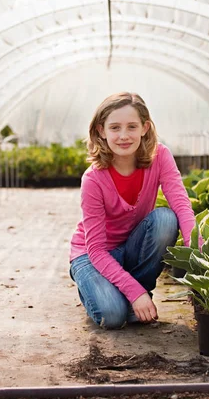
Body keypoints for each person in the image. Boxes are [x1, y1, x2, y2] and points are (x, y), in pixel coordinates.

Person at [69, 92, 196, 329]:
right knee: (113, 317)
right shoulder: (93, 179)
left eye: (132, 126)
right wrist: (134, 293)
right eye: (115, 127)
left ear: (145, 128)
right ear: (101, 131)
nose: (124, 136)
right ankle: (111, 293)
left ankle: (134, 295)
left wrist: (197, 252)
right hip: (93, 256)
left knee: (166, 219)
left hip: (133, 248)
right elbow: (95, 249)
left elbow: (181, 204)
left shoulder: (161, 156)